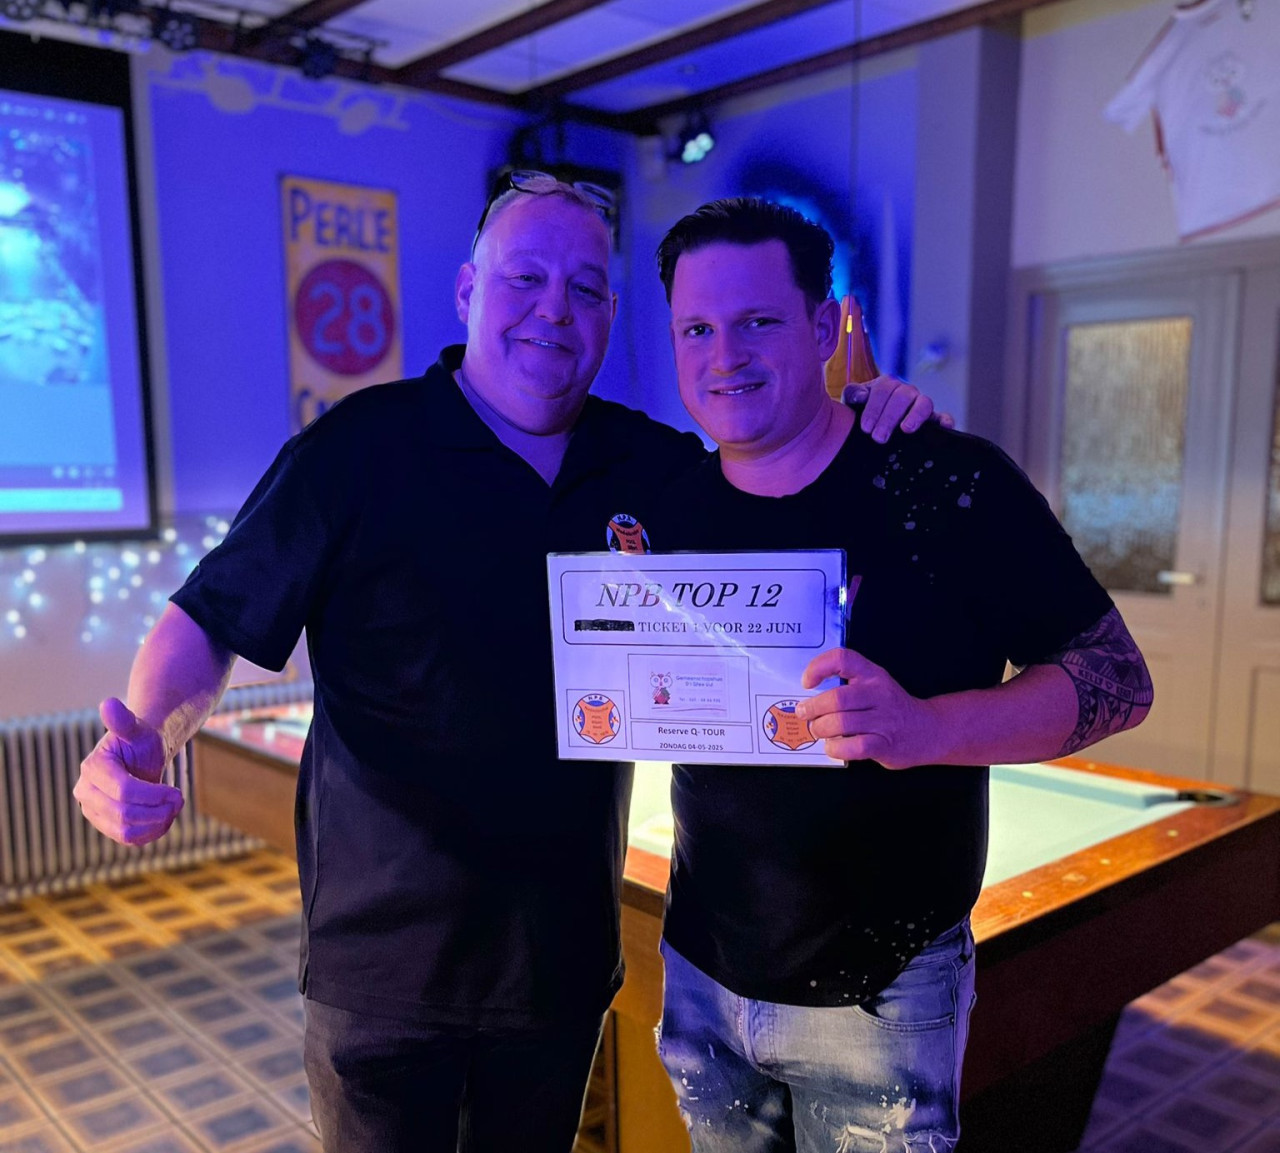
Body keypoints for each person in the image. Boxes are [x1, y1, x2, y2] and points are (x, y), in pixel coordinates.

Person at [72, 172, 937, 1153]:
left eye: (585, 289)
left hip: (556, 966)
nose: (553, 309)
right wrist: (148, 736)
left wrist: (869, 422)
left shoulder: (655, 468)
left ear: (609, 316)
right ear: (466, 290)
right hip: (383, 975)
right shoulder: (356, 451)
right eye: (525, 277)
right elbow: (210, 618)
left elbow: (796, 539)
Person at [646, 197, 1153, 1153]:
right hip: (702, 972)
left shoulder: (945, 481)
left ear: (825, 327)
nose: (723, 355)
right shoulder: (660, 499)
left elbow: (1117, 676)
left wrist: (928, 727)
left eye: (757, 320)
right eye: (696, 329)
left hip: (883, 994)